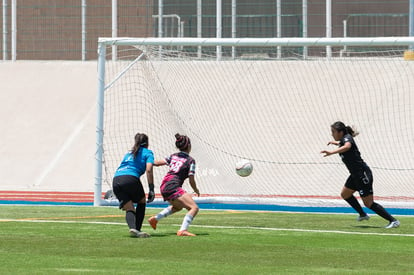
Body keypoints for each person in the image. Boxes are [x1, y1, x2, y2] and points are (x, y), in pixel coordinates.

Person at [320, 121, 400, 229]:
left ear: (341, 132)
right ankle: (362, 214)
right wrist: (335, 143)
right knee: (345, 194)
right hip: (354, 175)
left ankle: (393, 221)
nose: (332, 134)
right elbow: (343, 144)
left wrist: (331, 152)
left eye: (333, 132)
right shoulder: (343, 140)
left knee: (368, 203)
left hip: (362, 174)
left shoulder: (347, 138)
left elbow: (347, 146)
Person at [148, 133, 200, 236]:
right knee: (194, 208)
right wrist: (196, 189)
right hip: (173, 186)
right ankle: (183, 230)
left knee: (177, 207)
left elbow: (157, 163)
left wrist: (145, 160)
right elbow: (191, 179)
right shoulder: (190, 161)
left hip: (164, 185)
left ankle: (155, 219)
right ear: (189, 146)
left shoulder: (173, 156)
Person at [112, 133, 155, 238]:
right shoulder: (148, 153)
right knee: (141, 201)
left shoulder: (129, 154)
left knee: (129, 207)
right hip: (131, 178)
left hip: (116, 180)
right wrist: (151, 189)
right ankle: (138, 228)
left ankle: (133, 229)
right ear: (147, 143)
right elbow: (149, 169)